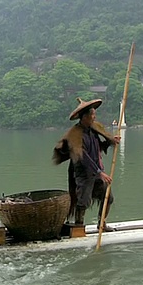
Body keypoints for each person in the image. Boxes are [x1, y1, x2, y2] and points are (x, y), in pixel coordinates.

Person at [53, 98, 120, 231]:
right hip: (83, 173)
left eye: (94, 114)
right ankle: (78, 227)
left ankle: (102, 224)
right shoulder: (75, 134)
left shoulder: (92, 131)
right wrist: (100, 172)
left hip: (96, 172)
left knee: (108, 197)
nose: (94, 117)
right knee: (83, 201)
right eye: (92, 115)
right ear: (84, 117)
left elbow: (97, 148)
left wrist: (111, 141)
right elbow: (83, 156)